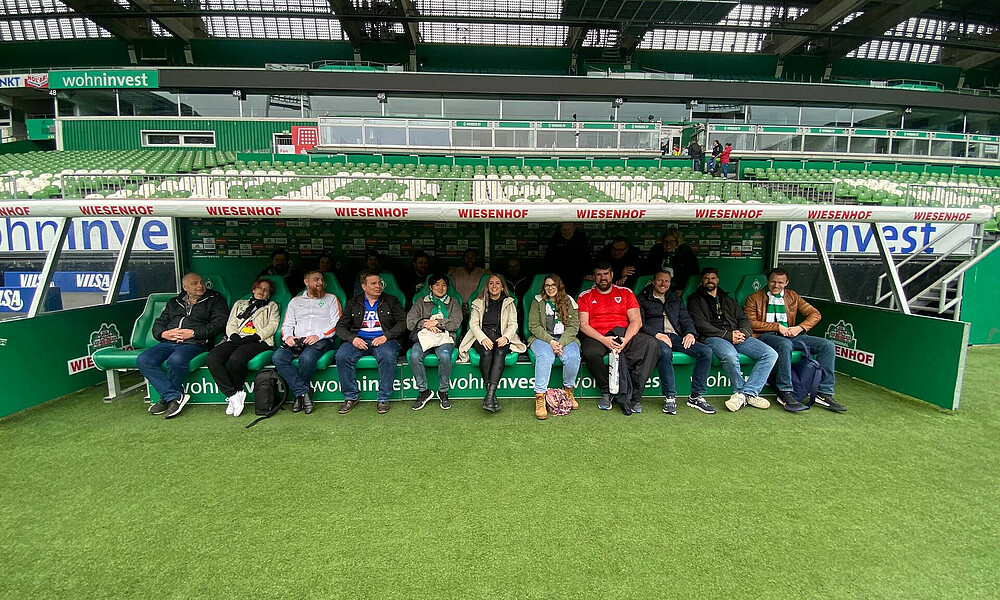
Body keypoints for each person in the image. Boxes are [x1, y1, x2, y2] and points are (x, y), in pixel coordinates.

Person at [744, 268, 846, 413]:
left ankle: (824, 392)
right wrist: (777, 327)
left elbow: (815, 314)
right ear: (767, 281)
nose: (776, 285)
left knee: (827, 345)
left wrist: (800, 328)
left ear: (786, 283)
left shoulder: (792, 296)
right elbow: (751, 323)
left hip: (791, 334)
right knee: (784, 344)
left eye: (780, 283)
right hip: (765, 335)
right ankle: (785, 391)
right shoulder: (754, 298)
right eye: (773, 282)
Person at [686, 267, 777, 412]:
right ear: (702, 281)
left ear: (718, 280)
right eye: (707, 278)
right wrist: (728, 335)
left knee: (770, 354)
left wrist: (743, 333)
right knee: (730, 355)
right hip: (713, 337)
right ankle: (741, 391)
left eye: (713, 278)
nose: (710, 281)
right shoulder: (695, 300)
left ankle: (747, 393)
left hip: (737, 335)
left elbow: (743, 319)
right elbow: (700, 325)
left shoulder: (727, 299)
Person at [139, 273, 228, 419]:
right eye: (194, 283)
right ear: (185, 287)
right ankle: (173, 396)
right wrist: (164, 334)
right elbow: (159, 323)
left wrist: (193, 333)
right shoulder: (174, 302)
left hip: (196, 342)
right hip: (169, 342)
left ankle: (168, 398)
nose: (200, 286)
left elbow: (219, 324)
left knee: (176, 360)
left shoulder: (215, 300)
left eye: (201, 282)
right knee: (144, 359)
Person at [577, 261, 659, 414]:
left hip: (623, 334)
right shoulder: (585, 295)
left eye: (606, 274)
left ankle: (635, 396)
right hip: (598, 336)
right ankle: (607, 390)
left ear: (612, 275)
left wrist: (625, 340)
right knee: (590, 352)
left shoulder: (625, 292)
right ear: (594, 277)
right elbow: (583, 325)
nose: (603, 278)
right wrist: (604, 340)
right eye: (599, 275)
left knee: (651, 344)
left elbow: (636, 321)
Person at [637, 270, 716, 415]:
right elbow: (639, 323)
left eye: (667, 281)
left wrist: (690, 333)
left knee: (706, 351)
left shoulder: (674, 298)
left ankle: (696, 396)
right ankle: (670, 397)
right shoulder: (642, 298)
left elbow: (686, 319)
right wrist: (657, 334)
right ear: (654, 281)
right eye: (660, 280)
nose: (663, 284)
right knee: (665, 352)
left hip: (675, 336)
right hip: (654, 337)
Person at [206, 278, 281, 418]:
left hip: (259, 340)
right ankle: (233, 394)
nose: (262, 291)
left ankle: (237, 391)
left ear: (269, 294)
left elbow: (273, 325)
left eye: (266, 290)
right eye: (259, 288)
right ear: (253, 289)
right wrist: (233, 335)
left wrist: (256, 336)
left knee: (236, 359)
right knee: (212, 358)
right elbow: (231, 322)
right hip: (236, 338)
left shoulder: (272, 306)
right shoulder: (240, 303)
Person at [336, 271, 407, 415]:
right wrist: (353, 339)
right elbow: (340, 327)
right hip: (359, 340)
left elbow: (403, 323)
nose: (378, 286)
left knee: (387, 356)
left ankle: (383, 398)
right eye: (373, 284)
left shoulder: (391, 300)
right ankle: (351, 396)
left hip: (385, 340)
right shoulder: (353, 302)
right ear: (364, 286)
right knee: (342, 356)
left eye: (379, 283)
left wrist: (386, 336)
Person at [272, 270, 342, 415]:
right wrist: (288, 337)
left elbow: (336, 324)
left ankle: (299, 396)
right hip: (298, 340)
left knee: (307, 358)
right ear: (306, 282)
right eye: (316, 280)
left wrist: (318, 336)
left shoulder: (331, 299)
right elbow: (287, 324)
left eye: (322, 280)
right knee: (278, 357)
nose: (320, 283)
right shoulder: (295, 301)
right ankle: (303, 392)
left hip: (321, 339)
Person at [458, 274, 525, 413]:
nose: (494, 286)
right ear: (487, 287)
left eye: (497, 283)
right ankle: (490, 396)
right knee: (487, 353)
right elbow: (473, 325)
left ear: (502, 287)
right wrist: (483, 338)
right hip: (482, 337)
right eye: (491, 283)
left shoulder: (509, 302)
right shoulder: (478, 302)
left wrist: (506, 337)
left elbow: (513, 324)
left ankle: (489, 395)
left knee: (500, 353)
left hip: (502, 336)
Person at [527, 274, 581, 420]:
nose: (550, 288)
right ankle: (540, 397)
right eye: (547, 285)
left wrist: (561, 343)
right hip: (542, 339)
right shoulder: (537, 301)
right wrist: (551, 341)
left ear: (559, 286)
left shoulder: (569, 301)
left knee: (573, 357)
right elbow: (534, 326)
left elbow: (574, 327)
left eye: (553, 285)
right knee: (545, 356)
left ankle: (568, 391)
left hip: (565, 339)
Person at [407, 274, 462, 411]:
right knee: (414, 355)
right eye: (437, 284)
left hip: (445, 337)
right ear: (430, 287)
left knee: (444, 356)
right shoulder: (421, 301)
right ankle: (424, 391)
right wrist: (426, 324)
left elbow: (456, 322)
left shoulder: (453, 302)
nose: (440, 288)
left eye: (444, 285)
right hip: (425, 337)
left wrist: (437, 322)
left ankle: (443, 392)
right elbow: (410, 321)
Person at [645, 227, 700, 296]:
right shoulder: (656, 250)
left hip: (678, 287)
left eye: (671, 242)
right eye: (665, 241)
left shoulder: (685, 251)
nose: (668, 244)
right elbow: (648, 270)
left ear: (677, 242)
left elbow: (694, 274)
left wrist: (684, 289)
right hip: (658, 286)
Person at [544, 223, 592, 296]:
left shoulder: (581, 238)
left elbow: (587, 258)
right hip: (560, 276)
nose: (566, 232)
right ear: (560, 229)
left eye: (568, 229)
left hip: (577, 275)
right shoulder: (555, 239)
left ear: (574, 228)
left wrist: (588, 272)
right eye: (564, 230)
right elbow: (548, 260)